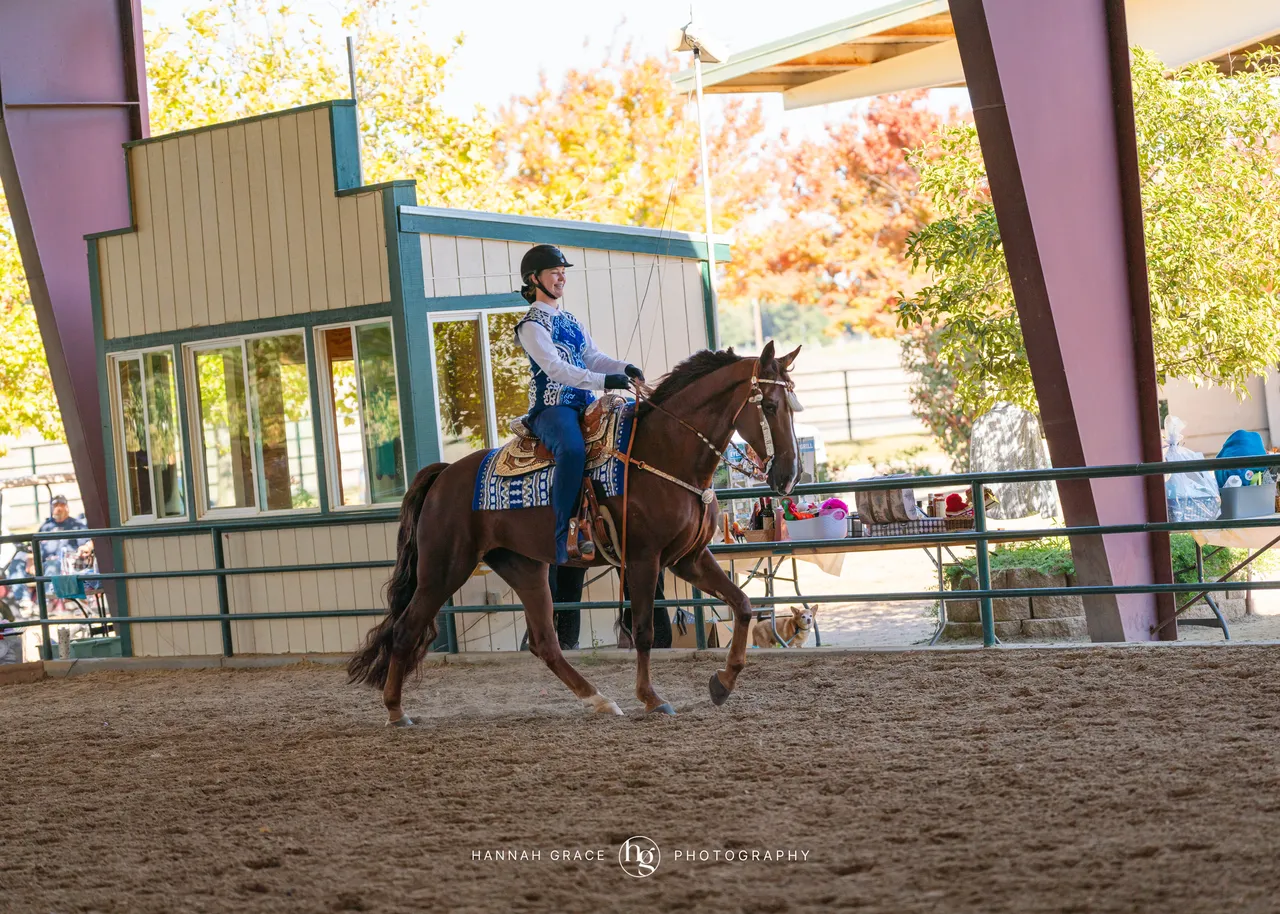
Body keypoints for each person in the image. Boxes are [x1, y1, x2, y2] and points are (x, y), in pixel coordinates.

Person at [514, 243, 644, 564]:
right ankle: (563, 536)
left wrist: (623, 368)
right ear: (534, 279)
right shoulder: (531, 325)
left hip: (585, 404)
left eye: (563, 273)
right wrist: (604, 381)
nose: (561, 278)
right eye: (554, 273)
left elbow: (593, 358)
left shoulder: (571, 320)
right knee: (571, 450)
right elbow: (558, 370)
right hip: (552, 408)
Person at [26, 495, 92, 608]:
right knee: (19, 565)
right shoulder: (46, 527)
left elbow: (88, 543)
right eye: (55, 505)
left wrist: (87, 547)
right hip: (46, 563)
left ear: (67, 507)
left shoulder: (76, 525)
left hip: (71, 562)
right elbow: (32, 548)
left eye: (61, 505)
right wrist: (31, 562)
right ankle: (31, 603)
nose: (58, 508)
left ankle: (48, 602)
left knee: (53, 566)